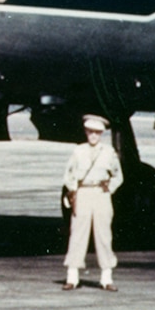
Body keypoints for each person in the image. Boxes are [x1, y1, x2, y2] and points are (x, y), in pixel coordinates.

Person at [61, 114, 123, 290]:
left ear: (101, 134)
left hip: (100, 194)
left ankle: (106, 278)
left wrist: (109, 188)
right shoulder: (78, 151)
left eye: (97, 132)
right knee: (78, 234)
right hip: (83, 193)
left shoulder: (108, 153)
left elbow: (118, 176)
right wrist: (73, 190)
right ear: (86, 132)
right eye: (90, 132)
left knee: (103, 235)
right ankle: (72, 277)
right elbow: (69, 174)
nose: (93, 136)